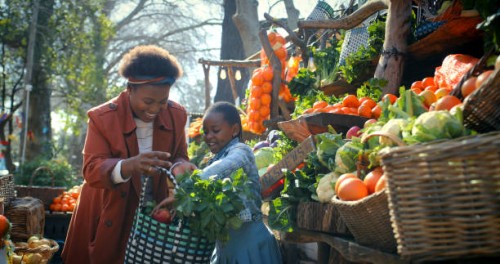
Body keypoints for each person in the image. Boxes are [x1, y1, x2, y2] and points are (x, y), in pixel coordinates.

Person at [61, 45, 195, 264]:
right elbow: (92, 169)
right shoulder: (102, 118)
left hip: (151, 218)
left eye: (163, 101)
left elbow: (179, 155)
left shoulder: (176, 115)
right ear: (130, 89)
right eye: (148, 101)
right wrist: (129, 165)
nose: (156, 108)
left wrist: (180, 166)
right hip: (108, 214)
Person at [198, 101, 283, 264]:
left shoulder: (241, 151)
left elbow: (225, 166)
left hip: (250, 245)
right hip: (226, 247)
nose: (209, 136)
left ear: (235, 130)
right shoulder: (214, 159)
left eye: (215, 130)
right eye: (206, 132)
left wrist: (192, 181)